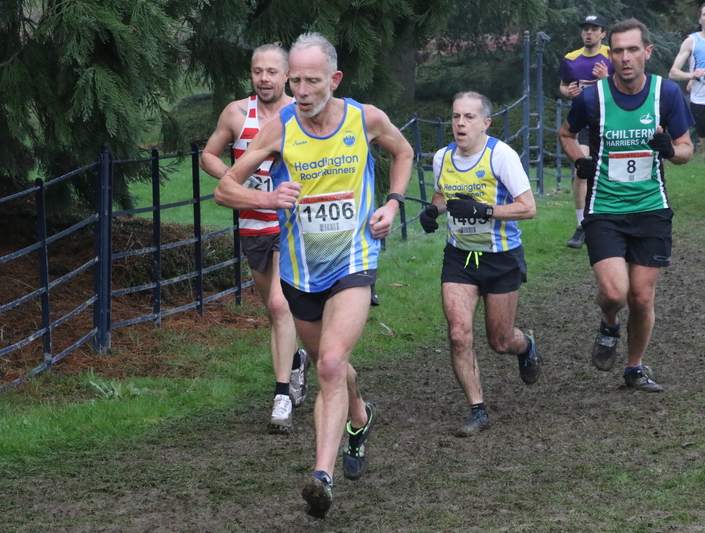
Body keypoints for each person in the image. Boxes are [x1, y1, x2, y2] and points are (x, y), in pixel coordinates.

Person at [214, 32, 413, 518]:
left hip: (354, 259)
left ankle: (321, 476)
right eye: (295, 80)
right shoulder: (280, 127)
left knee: (327, 365)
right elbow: (226, 188)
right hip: (302, 271)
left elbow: (403, 153)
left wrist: (392, 202)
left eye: (311, 81)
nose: (300, 90)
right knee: (333, 363)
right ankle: (361, 417)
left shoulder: (364, 119)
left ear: (334, 79)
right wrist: (267, 199)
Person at [559, 18, 695, 392]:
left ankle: (634, 368)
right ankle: (609, 323)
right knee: (616, 293)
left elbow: (686, 149)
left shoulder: (665, 94)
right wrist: (578, 160)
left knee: (641, 295)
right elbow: (566, 133)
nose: (625, 57)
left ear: (647, 53)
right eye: (617, 50)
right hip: (605, 209)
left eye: (632, 49)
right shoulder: (593, 97)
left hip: (651, 208)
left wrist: (671, 150)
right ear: (610, 53)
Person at [200, 44, 309, 435]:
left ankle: (281, 395)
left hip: (293, 224)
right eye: (257, 71)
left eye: (271, 72)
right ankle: (296, 362)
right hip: (253, 222)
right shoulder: (236, 113)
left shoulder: (300, 112)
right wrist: (231, 175)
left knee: (281, 306)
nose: (264, 78)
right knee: (274, 309)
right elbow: (208, 155)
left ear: (286, 76)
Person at [419, 92, 540, 438]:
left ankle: (526, 345)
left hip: (501, 259)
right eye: (456, 116)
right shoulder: (442, 157)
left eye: (469, 117)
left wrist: (485, 210)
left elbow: (528, 207)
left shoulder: (501, 156)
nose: (460, 123)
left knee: (500, 341)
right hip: (459, 258)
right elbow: (442, 196)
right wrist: (433, 212)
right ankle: (478, 409)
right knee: (459, 334)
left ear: (485, 123)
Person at [558, 14, 614, 249]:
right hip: (583, 124)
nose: (588, 33)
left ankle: (612, 220)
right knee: (582, 170)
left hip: (610, 122)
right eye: (585, 29)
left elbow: (628, 84)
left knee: (612, 172)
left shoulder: (613, 55)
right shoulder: (571, 59)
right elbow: (562, 84)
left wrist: (606, 78)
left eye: (594, 29)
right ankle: (582, 225)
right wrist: (567, 91)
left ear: (603, 33)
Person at [669, 3, 705, 159]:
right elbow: (673, 73)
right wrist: (691, 76)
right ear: (699, 19)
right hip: (700, 99)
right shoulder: (692, 41)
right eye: (704, 14)